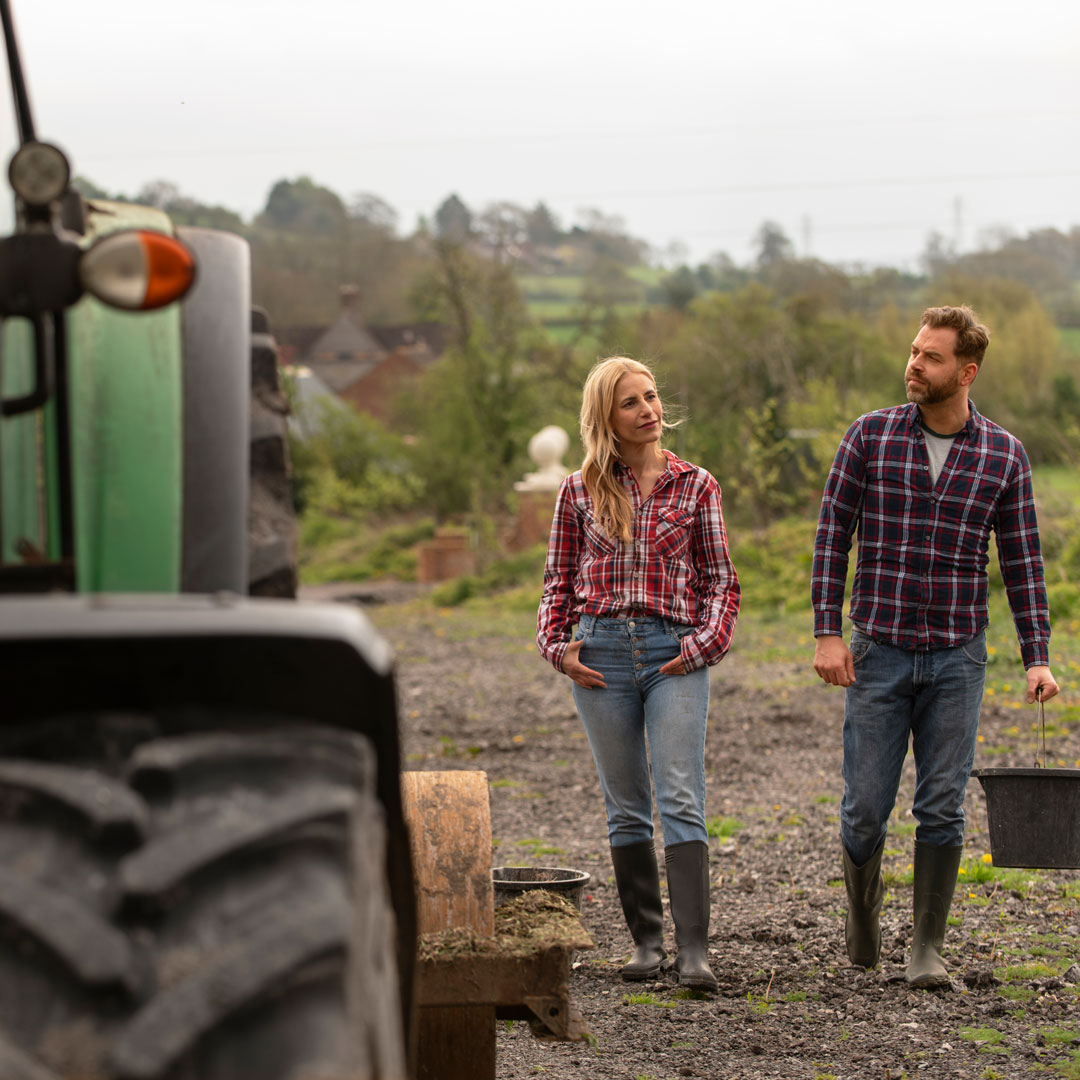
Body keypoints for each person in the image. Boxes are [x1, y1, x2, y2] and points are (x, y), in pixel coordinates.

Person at [811, 305, 1060, 989]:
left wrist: (1035, 654)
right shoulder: (870, 436)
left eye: (931, 357)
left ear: (967, 371)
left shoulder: (1003, 454)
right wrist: (827, 632)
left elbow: (1023, 562)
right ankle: (863, 931)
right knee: (865, 804)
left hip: (958, 654)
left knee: (942, 802)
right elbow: (834, 534)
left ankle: (926, 948)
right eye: (914, 352)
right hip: (878, 648)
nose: (914, 364)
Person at [537, 356, 740, 993]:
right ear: (607, 416)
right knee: (626, 807)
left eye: (652, 397)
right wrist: (557, 647)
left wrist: (703, 645)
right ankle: (648, 945)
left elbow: (721, 583)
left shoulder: (696, 485)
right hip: (600, 656)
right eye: (631, 402)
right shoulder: (577, 491)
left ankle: (695, 953)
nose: (648, 409)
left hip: (672, 652)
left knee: (681, 794)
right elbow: (556, 585)